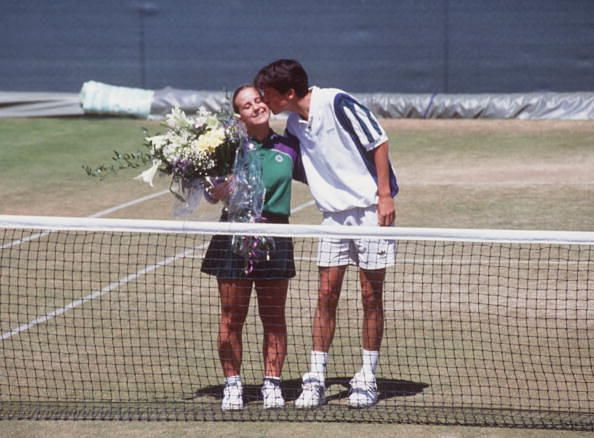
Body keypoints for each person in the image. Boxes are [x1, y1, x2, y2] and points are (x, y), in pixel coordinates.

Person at [254, 59, 398, 409]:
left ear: (289, 93)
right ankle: (316, 377)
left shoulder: (337, 102)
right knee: (325, 295)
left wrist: (384, 195)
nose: (263, 100)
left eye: (267, 94)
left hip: (369, 212)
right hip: (332, 218)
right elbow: (287, 161)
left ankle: (367, 376)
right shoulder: (292, 125)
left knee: (370, 296)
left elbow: (378, 141)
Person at [201, 85, 304, 411]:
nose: (256, 107)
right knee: (232, 317)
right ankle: (233, 385)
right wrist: (218, 187)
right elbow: (210, 192)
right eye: (248, 105)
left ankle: (272, 383)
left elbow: (324, 175)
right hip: (234, 235)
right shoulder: (226, 148)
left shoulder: (289, 146)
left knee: (274, 316)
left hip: (275, 235)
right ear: (239, 115)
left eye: (259, 100)